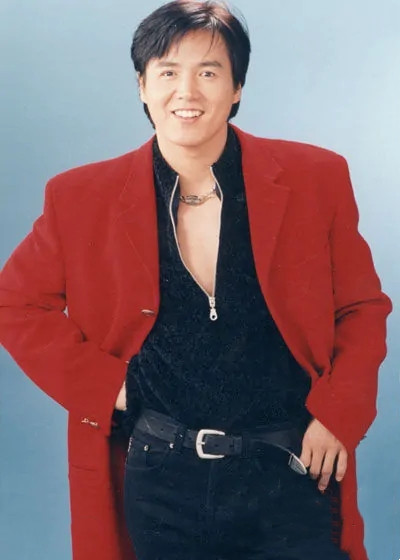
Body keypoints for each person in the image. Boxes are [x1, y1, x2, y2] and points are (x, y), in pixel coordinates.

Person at [0, 1, 392, 559]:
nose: (186, 92)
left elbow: (361, 307)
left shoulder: (316, 178)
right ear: (142, 86)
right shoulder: (79, 196)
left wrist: (339, 414)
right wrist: (104, 387)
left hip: (290, 466)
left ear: (237, 88)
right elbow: (14, 303)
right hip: (158, 474)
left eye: (208, 72)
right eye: (167, 72)